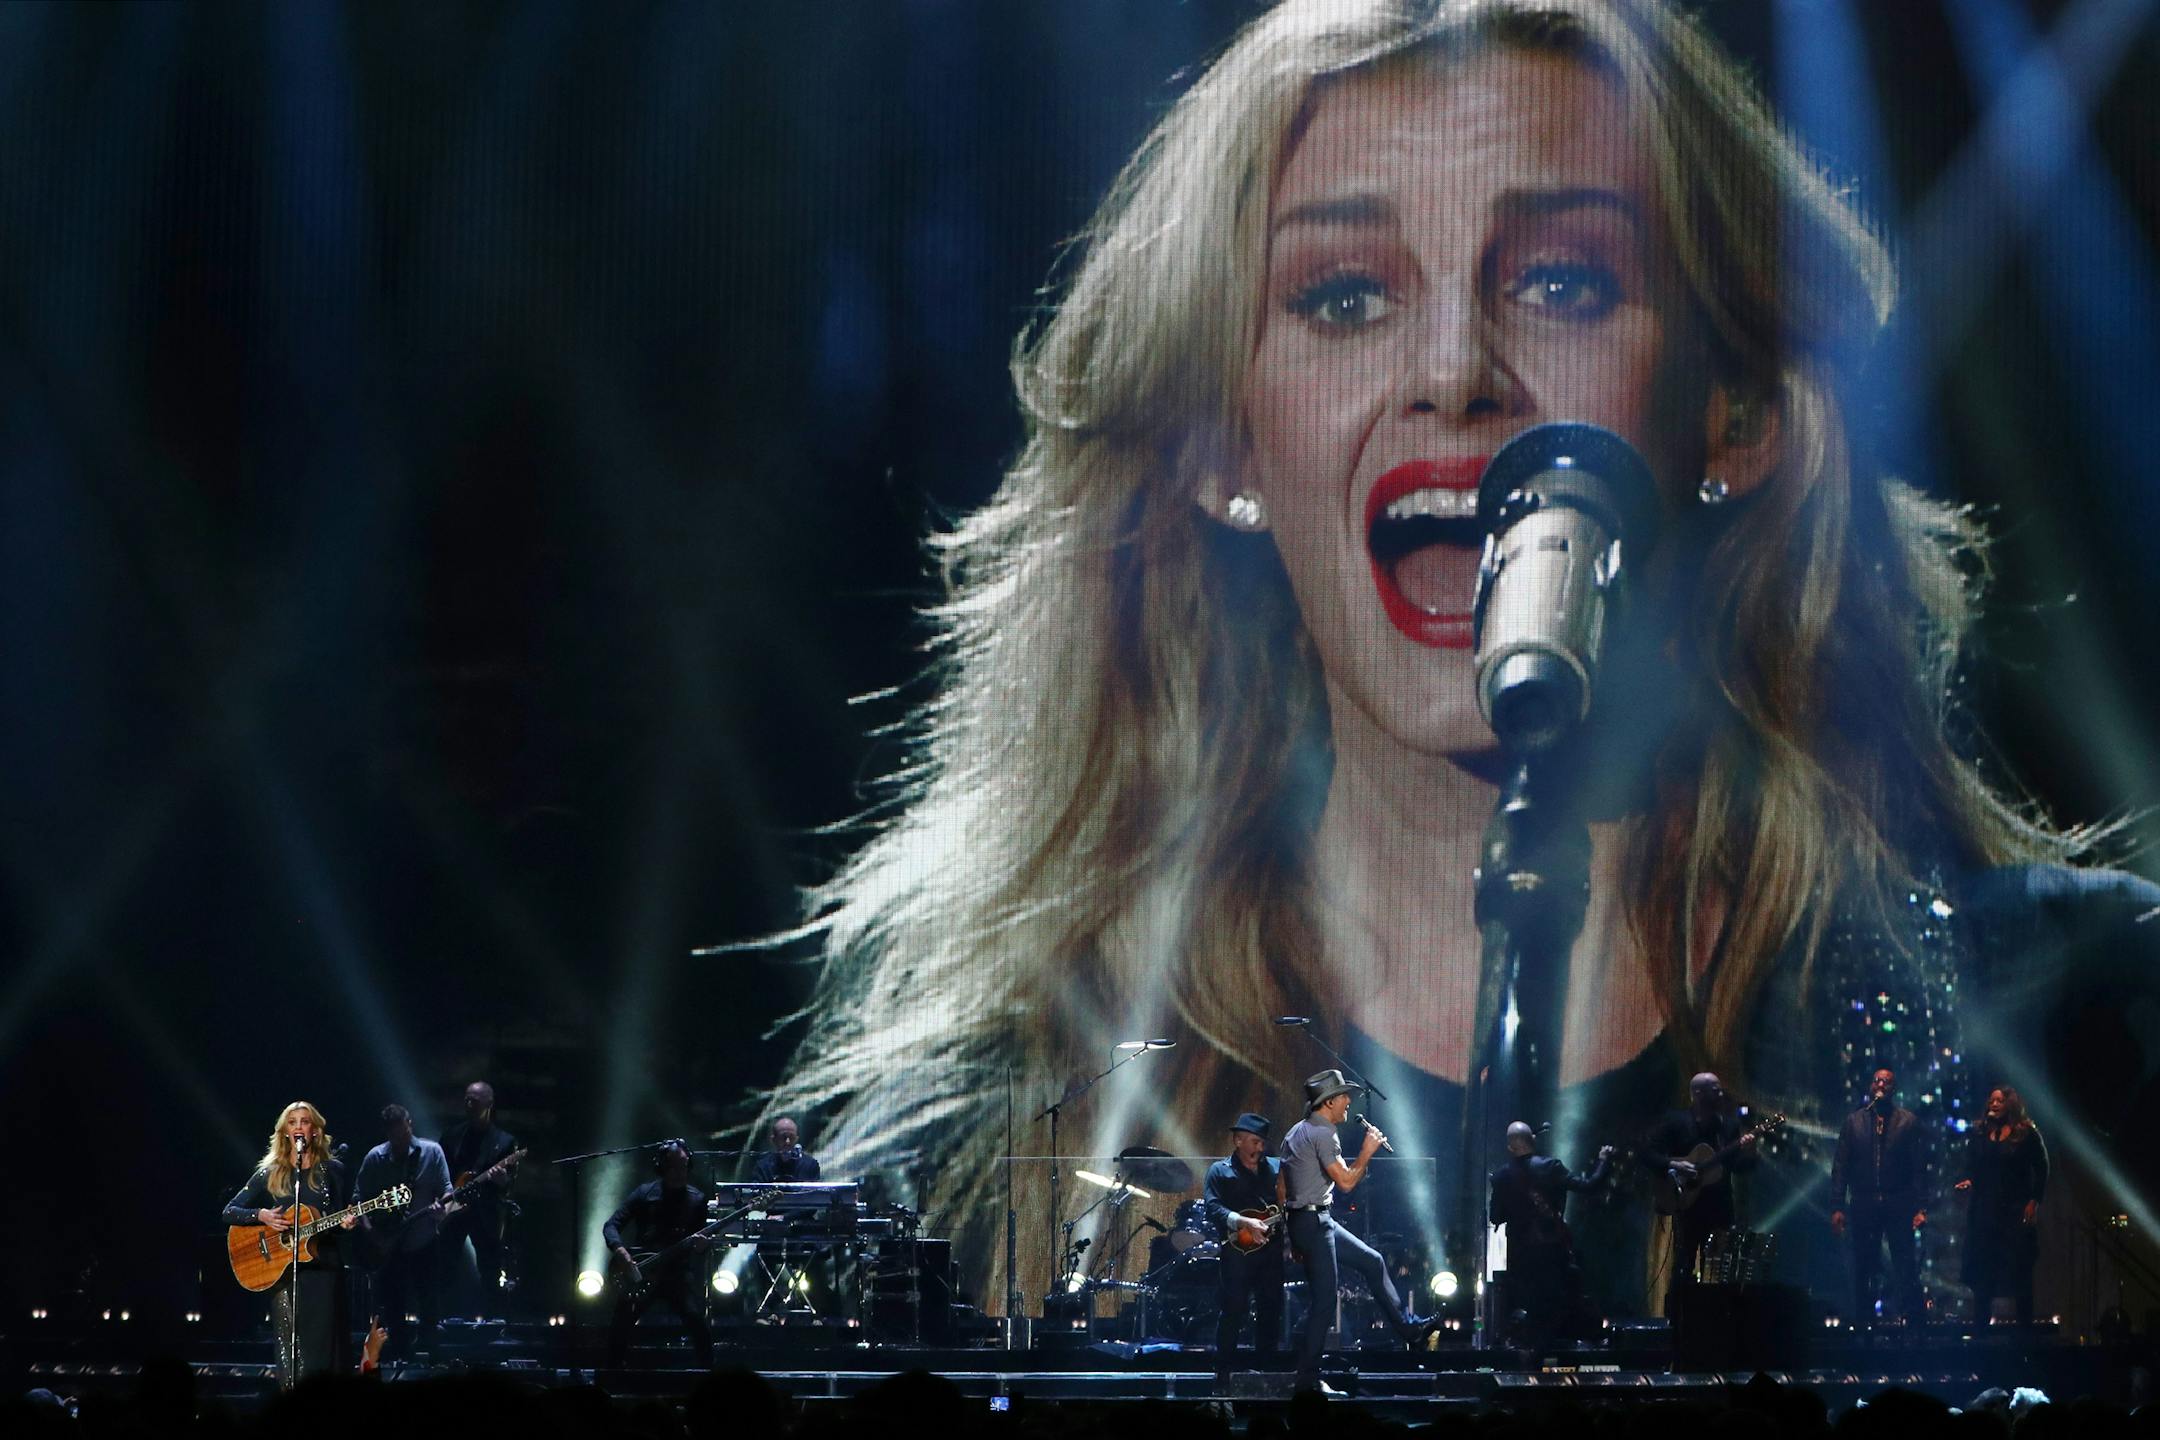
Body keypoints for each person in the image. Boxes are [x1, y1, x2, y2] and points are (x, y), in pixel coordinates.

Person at [759, 0, 2160, 1318]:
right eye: (1344, 297)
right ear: (1225, 445)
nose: (1453, 372)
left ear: (1737, 415)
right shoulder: (988, 1125)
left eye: (1560, 279)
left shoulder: (2073, 1021)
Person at [1280, 1071, 1429, 1393]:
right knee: (1324, 1300)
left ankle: (1410, 1331)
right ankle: (1307, 1379)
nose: (1349, 1101)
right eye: (1344, 1096)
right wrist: (1367, 1150)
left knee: (1372, 1261)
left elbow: (1282, 1183)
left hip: (1312, 1220)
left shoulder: (1298, 1130)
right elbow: (1346, 1183)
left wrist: (1292, 1231)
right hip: (1312, 1222)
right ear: (1329, 1103)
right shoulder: (1323, 1134)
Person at [220, 1102, 356, 1387]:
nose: (298, 1127)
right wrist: (261, 1215)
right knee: (292, 1351)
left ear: (315, 1130)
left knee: (323, 1350)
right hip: (284, 1273)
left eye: (304, 1122)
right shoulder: (271, 1172)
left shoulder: (332, 1170)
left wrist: (346, 1224)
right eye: (292, 1122)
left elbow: (337, 1222)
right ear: (284, 1132)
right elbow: (229, 1211)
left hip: (323, 1270)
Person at [1488, 1122, 1613, 1351]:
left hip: (1520, 1256)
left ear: (1510, 1147)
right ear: (1533, 1141)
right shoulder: (1551, 1167)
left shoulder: (1501, 1177)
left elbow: (1495, 1217)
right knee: (1563, 1300)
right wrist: (1604, 1160)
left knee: (1534, 1310)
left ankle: (1532, 1357)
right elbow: (1589, 1185)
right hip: (1552, 1250)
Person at [1648, 1073, 1758, 1307]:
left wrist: (1750, 1154)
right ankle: (1677, 1315)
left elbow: (1736, 1167)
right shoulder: (1675, 1122)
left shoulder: (1728, 1126)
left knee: (1720, 1267)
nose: (1720, 1094)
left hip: (1720, 1207)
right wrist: (1675, 1165)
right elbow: (1649, 1154)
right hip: (1687, 1207)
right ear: (1697, 1093)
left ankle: (1717, 1314)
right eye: (1714, 1090)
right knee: (1684, 1263)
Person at [1829, 1067, 1929, 1326]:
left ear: (1894, 1089)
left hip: (1898, 1201)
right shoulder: (1854, 1122)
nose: (1881, 1085)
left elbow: (1918, 1167)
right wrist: (1837, 1206)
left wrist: (1921, 1207)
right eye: (1877, 1081)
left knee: (1904, 1263)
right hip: (1864, 1202)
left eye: (1887, 1082)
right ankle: (1864, 1322)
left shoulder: (1908, 1122)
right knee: (1864, 1264)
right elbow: (1840, 1166)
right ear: (1870, 1086)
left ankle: (1913, 1321)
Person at [603, 1140, 715, 1368]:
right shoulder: (644, 1193)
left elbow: (700, 1243)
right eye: (673, 1166)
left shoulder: (697, 1199)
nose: (679, 1172)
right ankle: (612, 1374)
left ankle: (708, 1375)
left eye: (683, 1166)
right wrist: (620, 1250)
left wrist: (702, 1247)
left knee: (697, 1323)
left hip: (677, 1274)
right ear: (661, 1167)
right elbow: (611, 1225)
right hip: (642, 1273)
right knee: (620, 1325)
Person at [354, 1103, 452, 1362]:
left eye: (405, 1133)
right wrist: (372, 1235)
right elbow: (359, 1200)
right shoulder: (375, 1158)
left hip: (424, 1240)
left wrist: (441, 1209)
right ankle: (398, 1360)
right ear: (388, 1133)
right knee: (393, 1306)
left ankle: (431, 1361)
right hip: (388, 1246)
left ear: (410, 1125)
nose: (402, 1140)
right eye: (396, 1136)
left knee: (429, 1305)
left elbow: (447, 1190)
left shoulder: (432, 1152)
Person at [1204, 1112, 1288, 1379]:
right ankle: (1223, 1372)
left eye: (1262, 1143)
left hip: (1271, 1253)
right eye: (1254, 1142)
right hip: (1237, 1254)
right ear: (1238, 1140)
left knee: (1270, 1309)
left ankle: (1266, 1372)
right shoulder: (1220, 1171)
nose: (1259, 1148)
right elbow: (1212, 1207)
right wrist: (1242, 1221)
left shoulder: (1276, 1169)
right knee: (1233, 1308)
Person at [1954, 1086, 2048, 1325]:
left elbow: (2042, 1167)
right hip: (1985, 1212)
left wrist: (2034, 1200)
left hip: (2014, 1211)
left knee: (2020, 1272)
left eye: (2000, 1100)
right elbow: (1972, 1166)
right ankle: (1981, 1332)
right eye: (1991, 1100)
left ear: (2011, 1105)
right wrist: (1969, 1181)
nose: (1994, 1104)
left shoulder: (2026, 1134)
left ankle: (2025, 1333)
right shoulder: (1980, 1134)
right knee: (1983, 1274)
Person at [439, 1080, 519, 1316]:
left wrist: (502, 1180)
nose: (468, 1104)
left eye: (474, 1100)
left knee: (489, 1268)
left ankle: (493, 1321)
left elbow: (509, 1184)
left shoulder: (504, 1141)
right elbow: (440, 1171)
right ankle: (445, 1317)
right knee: (446, 1265)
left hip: (485, 1212)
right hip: (454, 1210)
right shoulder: (452, 1136)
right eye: (466, 1099)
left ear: (489, 1103)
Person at [750, 1116, 823, 1184]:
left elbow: (816, 1192)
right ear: (774, 1140)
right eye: (783, 1137)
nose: (787, 1142)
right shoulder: (763, 1167)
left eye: (791, 1137)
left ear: (797, 1139)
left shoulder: (810, 1165)